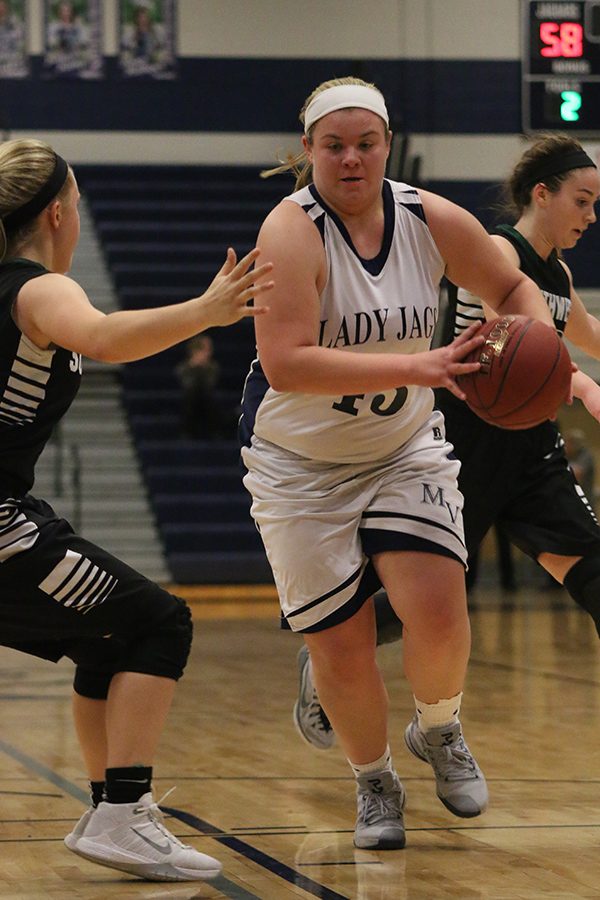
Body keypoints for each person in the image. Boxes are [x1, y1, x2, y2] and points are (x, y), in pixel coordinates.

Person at [239, 76, 555, 851]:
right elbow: (285, 363)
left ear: (388, 143)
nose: (351, 159)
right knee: (341, 644)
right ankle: (374, 782)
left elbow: (515, 286)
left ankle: (439, 730)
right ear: (307, 150)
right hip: (299, 463)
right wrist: (421, 368)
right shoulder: (289, 232)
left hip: (400, 446)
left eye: (366, 143)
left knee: (440, 604)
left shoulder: (429, 217)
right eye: (334, 146)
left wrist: (529, 344)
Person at [0, 138, 272, 881]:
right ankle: (123, 811)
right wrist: (208, 310)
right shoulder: (37, 289)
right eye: (79, 203)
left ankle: (113, 811)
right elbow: (107, 337)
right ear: (57, 212)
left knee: (111, 639)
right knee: (162, 620)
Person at [293, 133, 600, 766]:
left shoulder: (558, 274)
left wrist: (579, 369)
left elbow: (585, 332)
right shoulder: (494, 252)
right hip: (465, 449)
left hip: (533, 454)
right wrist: (578, 381)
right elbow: (503, 352)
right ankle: (328, 651)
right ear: (541, 195)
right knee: (427, 606)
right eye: (583, 201)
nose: (590, 217)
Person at [176, 333, 235, 439]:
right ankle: (188, 432)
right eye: (205, 349)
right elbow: (186, 384)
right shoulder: (184, 367)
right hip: (191, 401)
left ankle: (215, 430)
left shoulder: (212, 367)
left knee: (207, 397)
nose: (209, 352)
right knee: (193, 396)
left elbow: (210, 384)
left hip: (208, 402)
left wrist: (202, 369)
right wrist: (195, 368)